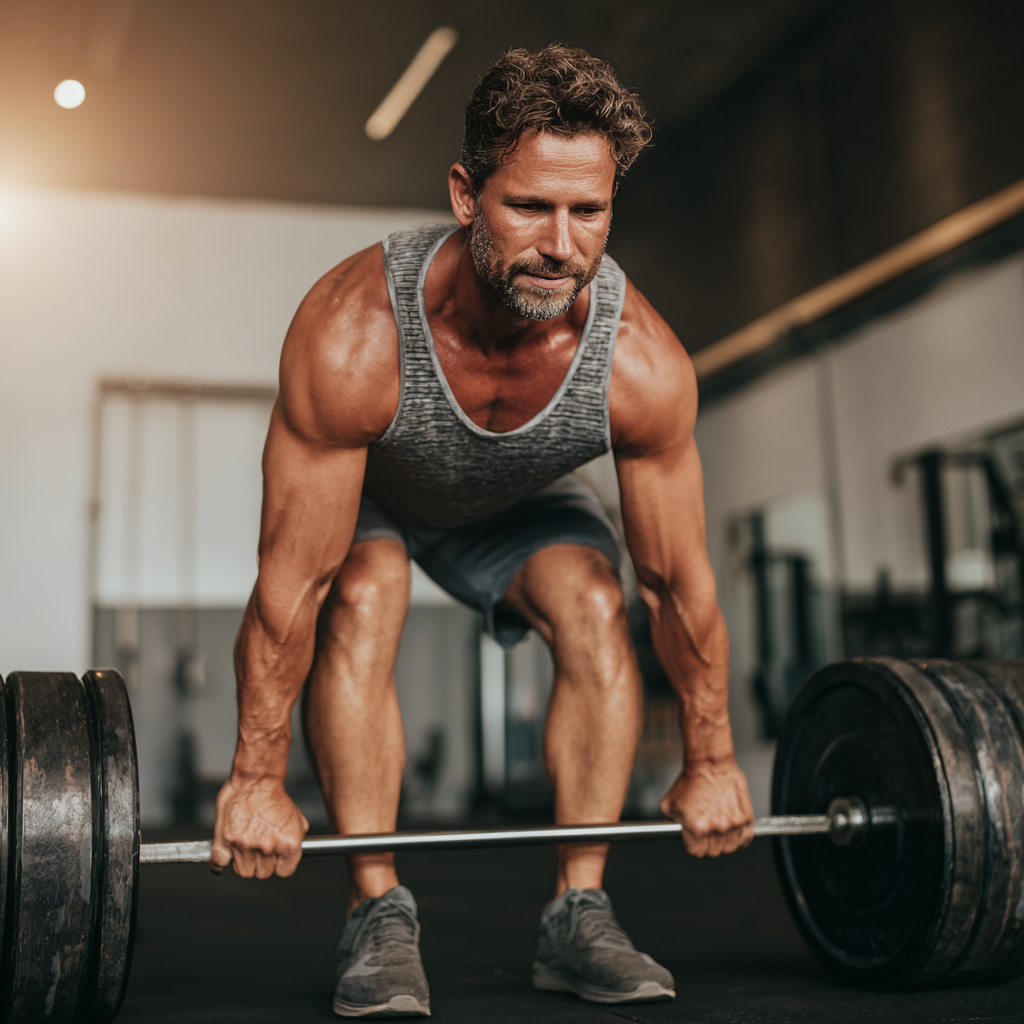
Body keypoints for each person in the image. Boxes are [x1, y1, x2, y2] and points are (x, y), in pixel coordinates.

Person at [210, 43, 755, 1018]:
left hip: (521, 503)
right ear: (466, 195)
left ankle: (579, 912)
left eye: (587, 211)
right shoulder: (354, 335)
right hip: (380, 495)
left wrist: (711, 756)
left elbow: (676, 584)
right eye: (529, 207)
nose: (561, 243)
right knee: (365, 597)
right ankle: (377, 911)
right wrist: (255, 773)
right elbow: (291, 585)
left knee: (597, 604)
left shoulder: (640, 362)